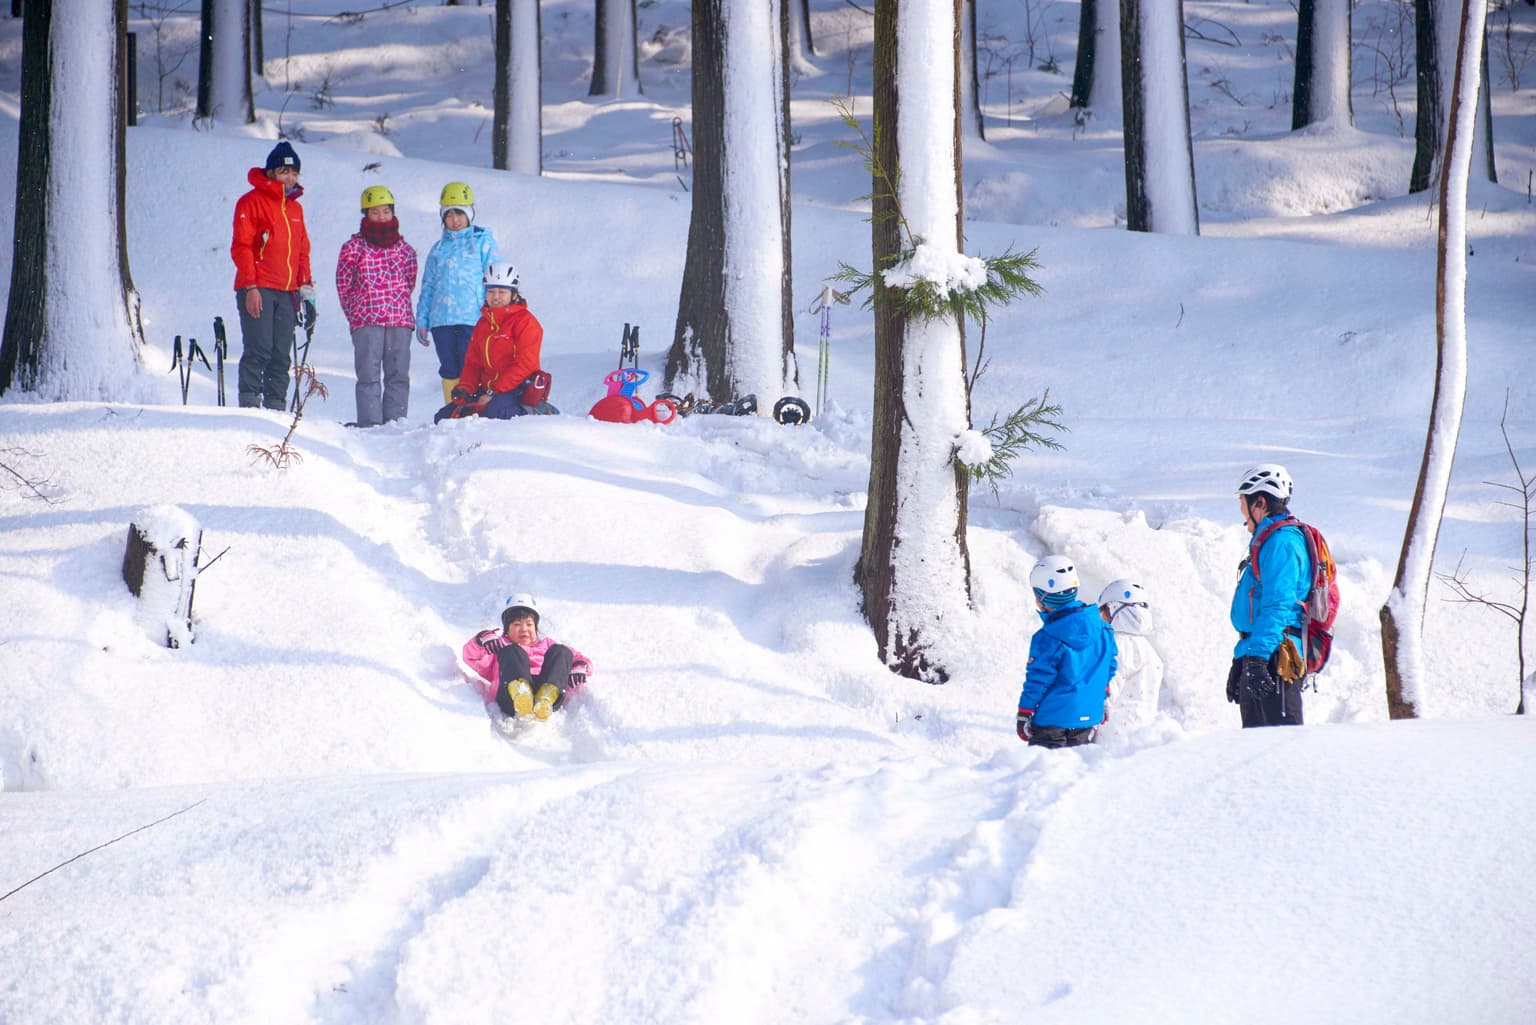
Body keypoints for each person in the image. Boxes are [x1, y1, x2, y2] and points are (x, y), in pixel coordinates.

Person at [230, 141, 317, 411]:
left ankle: (276, 406)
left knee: (281, 353)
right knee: (259, 348)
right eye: (284, 172)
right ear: (271, 173)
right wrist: (251, 286)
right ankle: (250, 403)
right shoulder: (250, 202)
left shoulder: (295, 210)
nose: (290, 178)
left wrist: (307, 293)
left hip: (288, 291)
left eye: (294, 173)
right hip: (259, 287)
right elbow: (241, 247)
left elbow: (302, 252)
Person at [1227, 463, 1311, 728]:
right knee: (1253, 749)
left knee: (1280, 750)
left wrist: (1257, 659)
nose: (1241, 512)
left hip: (1277, 659)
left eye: (1243, 502)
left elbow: (1278, 605)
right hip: (1263, 653)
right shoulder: (1268, 541)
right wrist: (1242, 658)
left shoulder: (1281, 543)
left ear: (1259, 502)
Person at [335, 185, 419, 427]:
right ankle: (370, 424)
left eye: (385, 211)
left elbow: (409, 281)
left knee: (398, 375)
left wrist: (396, 303)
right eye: (375, 212)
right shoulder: (353, 248)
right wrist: (357, 312)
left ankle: (396, 422)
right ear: (365, 215)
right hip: (367, 320)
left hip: (399, 320)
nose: (381, 217)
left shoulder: (405, 250)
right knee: (368, 375)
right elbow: (344, 284)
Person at [1016, 554, 1117, 749]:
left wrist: (1024, 712)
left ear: (1040, 597)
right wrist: (1102, 696)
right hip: (1088, 719)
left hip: (1051, 721)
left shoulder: (1047, 638)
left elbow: (1038, 681)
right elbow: (1109, 667)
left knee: (1044, 775)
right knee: (1076, 774)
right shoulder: (1103, 629)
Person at [415, 182, 500, 406]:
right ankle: (452, 408)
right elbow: (428, 286)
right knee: (449, 367)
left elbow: (495, 280)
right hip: (441, 320)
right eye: (449, 215)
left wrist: (496, 314)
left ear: (470, 214)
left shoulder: (483, 243)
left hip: (472, 318)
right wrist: (423, 320)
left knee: (470, 365)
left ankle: (472, 408)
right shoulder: (438, 249)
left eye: (459, 214)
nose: (455, 220)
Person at [433, 262, 547, 423]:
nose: (496, 297)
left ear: (514, 295)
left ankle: (534, 414)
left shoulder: (526, 323)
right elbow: (473, 363)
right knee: (445, 418)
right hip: (488, 389)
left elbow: (525, 365)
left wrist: (494, 392)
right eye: (491, 291)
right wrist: (465, 387)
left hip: (517, 389)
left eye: (502, 292)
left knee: (492, 416)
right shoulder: (483, 324)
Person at [462, 594, 592, 722]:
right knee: (512, 651)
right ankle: (521, 692)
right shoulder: (499, 647)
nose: (524, 629)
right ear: (507, 629)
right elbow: (472, 657)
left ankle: (547, 696)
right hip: (509, 697)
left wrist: (580, 666)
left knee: (562, 651)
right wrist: (481, 640)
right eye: (517, 624)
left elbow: (577, 658)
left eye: (529, 624)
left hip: (547, 690)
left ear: (535, 627)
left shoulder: (547, 644)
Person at [1096, 578, 1164, 740]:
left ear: (1115, 609)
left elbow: (1108, 685)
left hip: (1113, 734)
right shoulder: (1149, 650)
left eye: (1104, 611)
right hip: (1142, 733)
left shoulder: (1116, 645)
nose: (1102, 617)